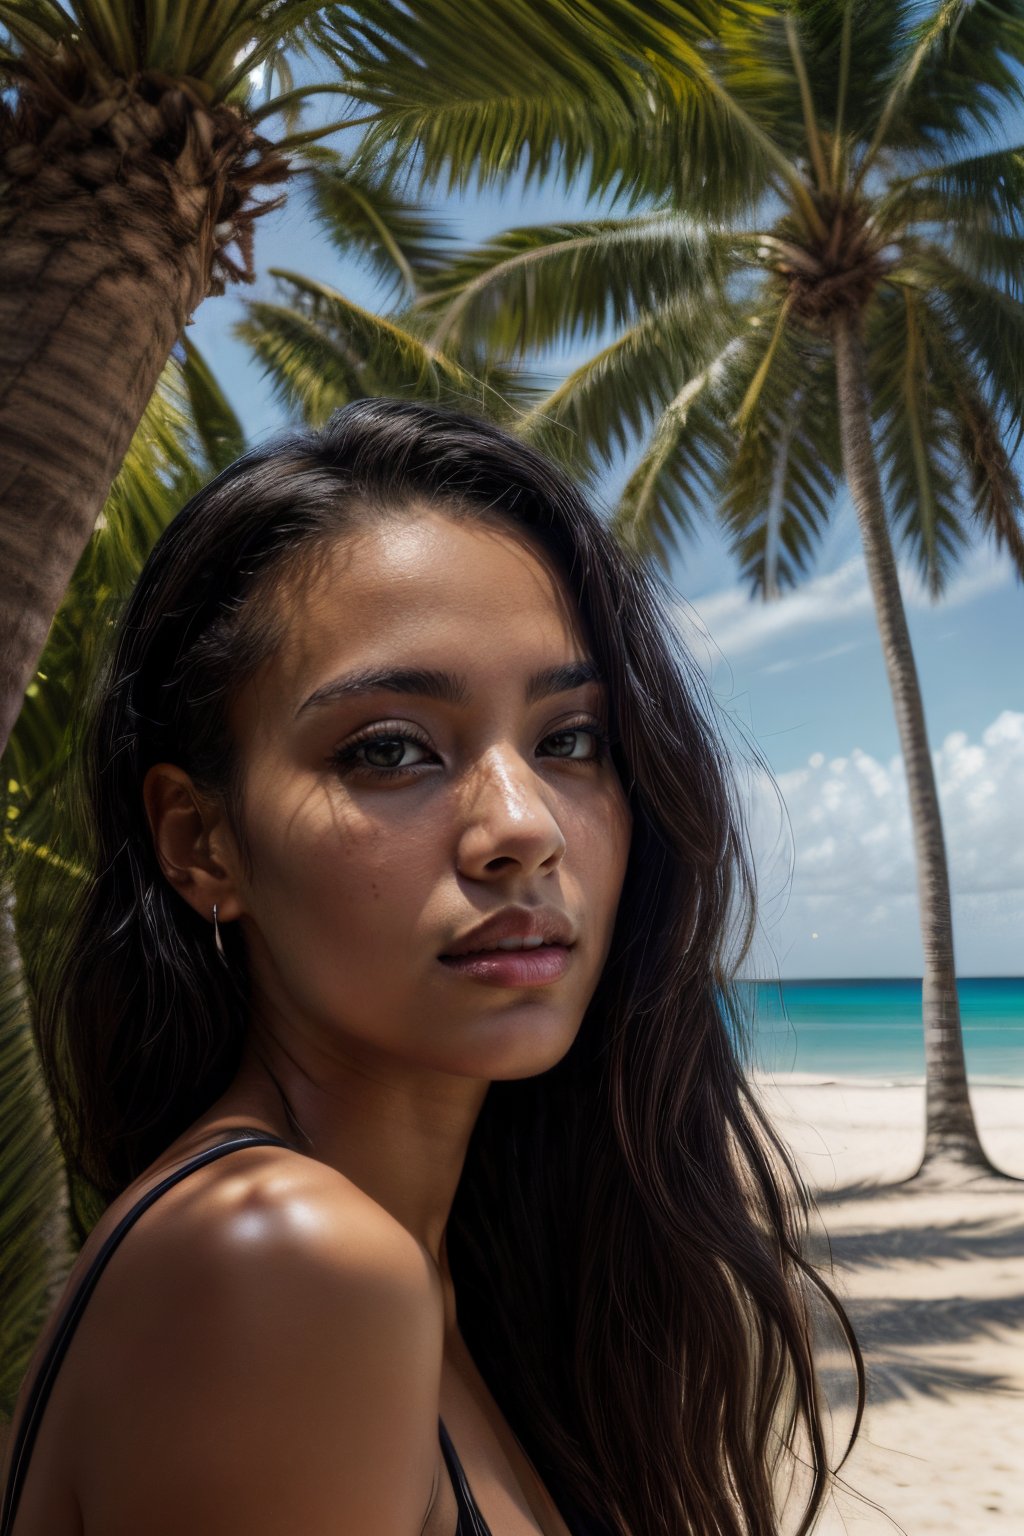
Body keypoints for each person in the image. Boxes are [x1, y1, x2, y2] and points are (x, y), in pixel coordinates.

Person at [0, 399, 861, 1536]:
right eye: (390, 749)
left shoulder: (441, 1266)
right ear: (202, 844)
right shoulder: (286, 1264)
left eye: (570, 741)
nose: (522, 824)